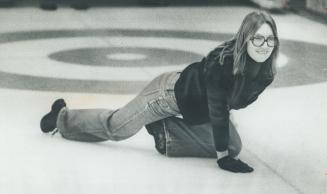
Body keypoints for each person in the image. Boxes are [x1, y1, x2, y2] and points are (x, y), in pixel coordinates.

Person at [40, 11, 279, 173]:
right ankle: (61, 118)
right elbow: (218, 106)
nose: (264, 46)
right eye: (258, 39)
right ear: (245, 39)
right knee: (118, 128)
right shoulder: (224, 63)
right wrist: (222, 157)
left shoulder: (265, 73)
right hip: (166, 96)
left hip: (195, 105)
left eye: (270, 40)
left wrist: (226, 141)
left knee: (234, 146)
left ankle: (164, 130)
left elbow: (227, 102)